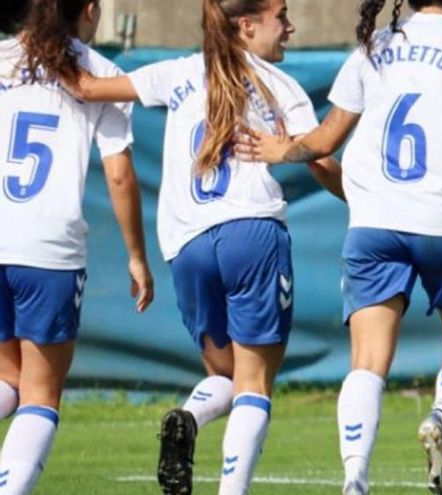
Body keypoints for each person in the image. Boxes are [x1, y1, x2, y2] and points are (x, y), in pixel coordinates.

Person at [233, 1, 442, 494]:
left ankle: (355, 478)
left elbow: (326, 138)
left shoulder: (373, 48)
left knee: (367, 364)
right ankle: (440, 416)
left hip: (374, 223)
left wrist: (281, 149)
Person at [68, 0, 342, 493]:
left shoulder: (178, 72)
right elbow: (319, 161)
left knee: (226, 376)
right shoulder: (279, 86)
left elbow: (85, 86)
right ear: (246, 25)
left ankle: (190, 417)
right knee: (255, 384)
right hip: (252, 234)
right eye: (281, 16)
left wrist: (37, 47)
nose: (290, 27)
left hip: (188, 244)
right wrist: (362, 201)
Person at [0, 0, 154, 492]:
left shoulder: (3, 57)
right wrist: (136, 256)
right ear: (90, 9)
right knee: (40, 395)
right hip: (49, 247)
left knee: (9, 376)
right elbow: (118, 173)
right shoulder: (101, 72)